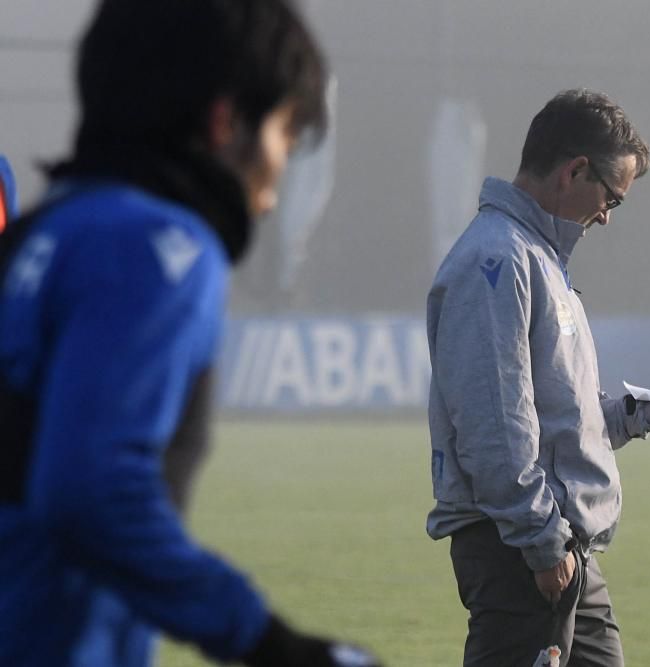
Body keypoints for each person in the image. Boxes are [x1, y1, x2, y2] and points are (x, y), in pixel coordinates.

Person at [0, 1, 380, 666]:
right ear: (226, 121)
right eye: (286, 134)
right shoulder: (156, 244)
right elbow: (92, 491)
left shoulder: (45, 230)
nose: (278, 174)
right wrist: (272, 643)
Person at [426, 88, 650, 666]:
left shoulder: (540, 261)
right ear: (574, 170)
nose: (607, 214)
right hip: (522, 550)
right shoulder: (498, 262)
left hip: (559, 547)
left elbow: (564, 425)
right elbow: (495, 427)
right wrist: (540, 542)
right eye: (613, 196)